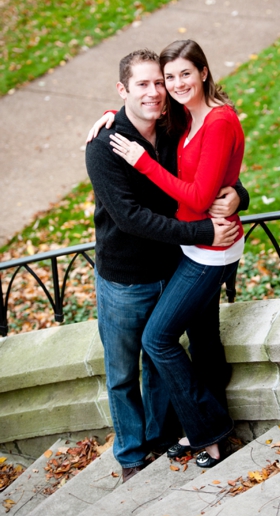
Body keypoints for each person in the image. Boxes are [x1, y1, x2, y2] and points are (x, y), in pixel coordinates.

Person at [85, 48, 247, 482]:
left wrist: (239, 195)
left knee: (160, 359)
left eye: (160, 82)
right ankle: (132, 456)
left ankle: (162, 436)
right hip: (125, 277)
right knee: (123, 373)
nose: (156, 92)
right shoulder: (104, 146)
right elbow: (131, 218)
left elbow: (209, 173)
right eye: (144, 84)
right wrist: (203, 234)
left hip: (174, 265)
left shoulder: (173, 127)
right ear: (123, 90)